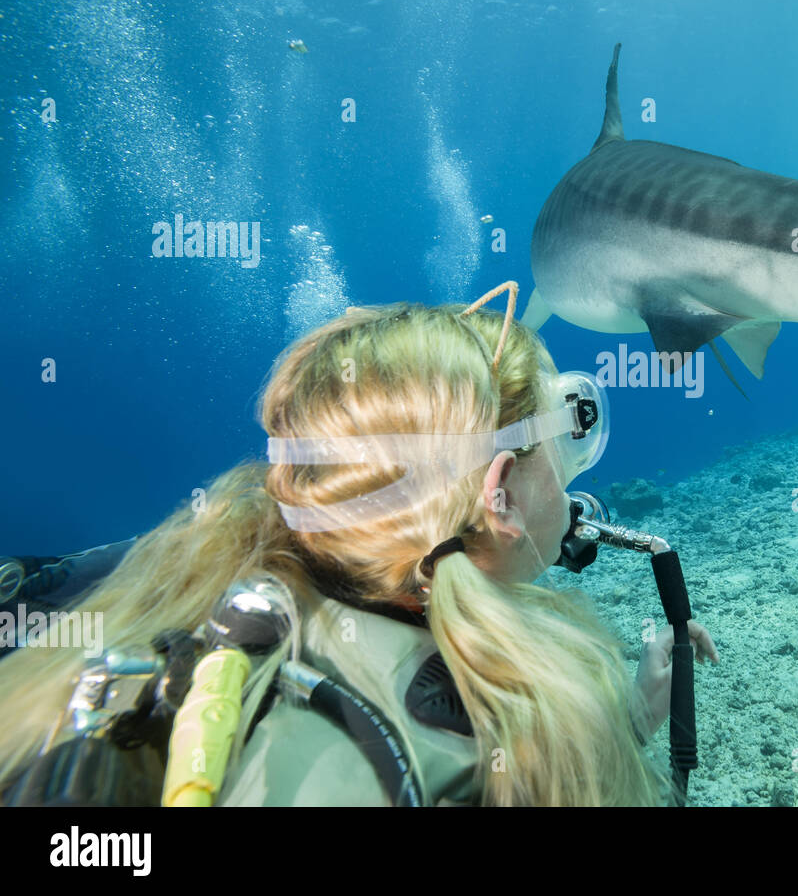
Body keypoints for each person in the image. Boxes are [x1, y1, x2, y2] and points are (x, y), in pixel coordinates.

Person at [0, 282, 718, 805]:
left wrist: (634, 710)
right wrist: (610, 729)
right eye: (562, 454)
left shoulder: (231, 584)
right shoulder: (451, 750)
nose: (571, 488)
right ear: (498, 497)